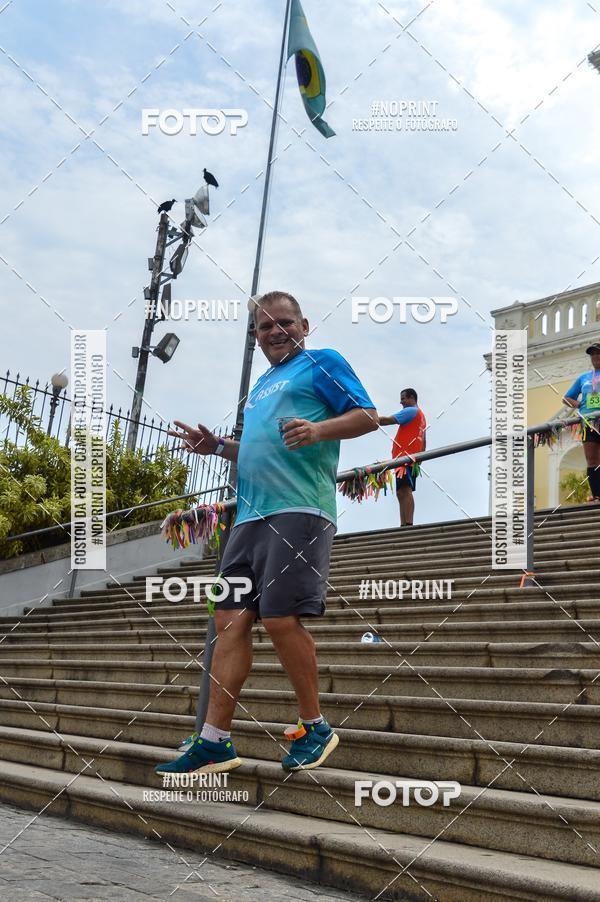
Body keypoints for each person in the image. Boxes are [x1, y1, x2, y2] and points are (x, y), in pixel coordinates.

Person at [155, 291, 378, 776]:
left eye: (285, 323)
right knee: (228, 622)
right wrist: (217, 447)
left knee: (280, 619)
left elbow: (368, 416)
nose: (275, 332)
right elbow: (260, 449)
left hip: (300, 510)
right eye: (264, 327)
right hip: (249, 519)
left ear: (305, 324)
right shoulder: (260, 386)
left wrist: (319, 432)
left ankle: (315, 726)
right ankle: (215, 742)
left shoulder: (322, 362)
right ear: (255, 337)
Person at [379, 389, 426, 526]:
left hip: (406, 459)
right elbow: (423, 439)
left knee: (405, 490)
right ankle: (404, 523)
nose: (401, 402)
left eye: (403, 398)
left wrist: (370, 419)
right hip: (408, 459)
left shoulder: (411, 411)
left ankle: (408, 523)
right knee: (401, 491)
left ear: (412, 398)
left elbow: (388, 420)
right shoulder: (421, 416)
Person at [562, 342, 600, 503]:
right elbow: (566, 398)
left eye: (598, 353)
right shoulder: (584, 378)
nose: (595, 357)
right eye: (592, 354)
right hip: (589, 422)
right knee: (592, 460)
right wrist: (579, 404)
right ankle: (597, 495)